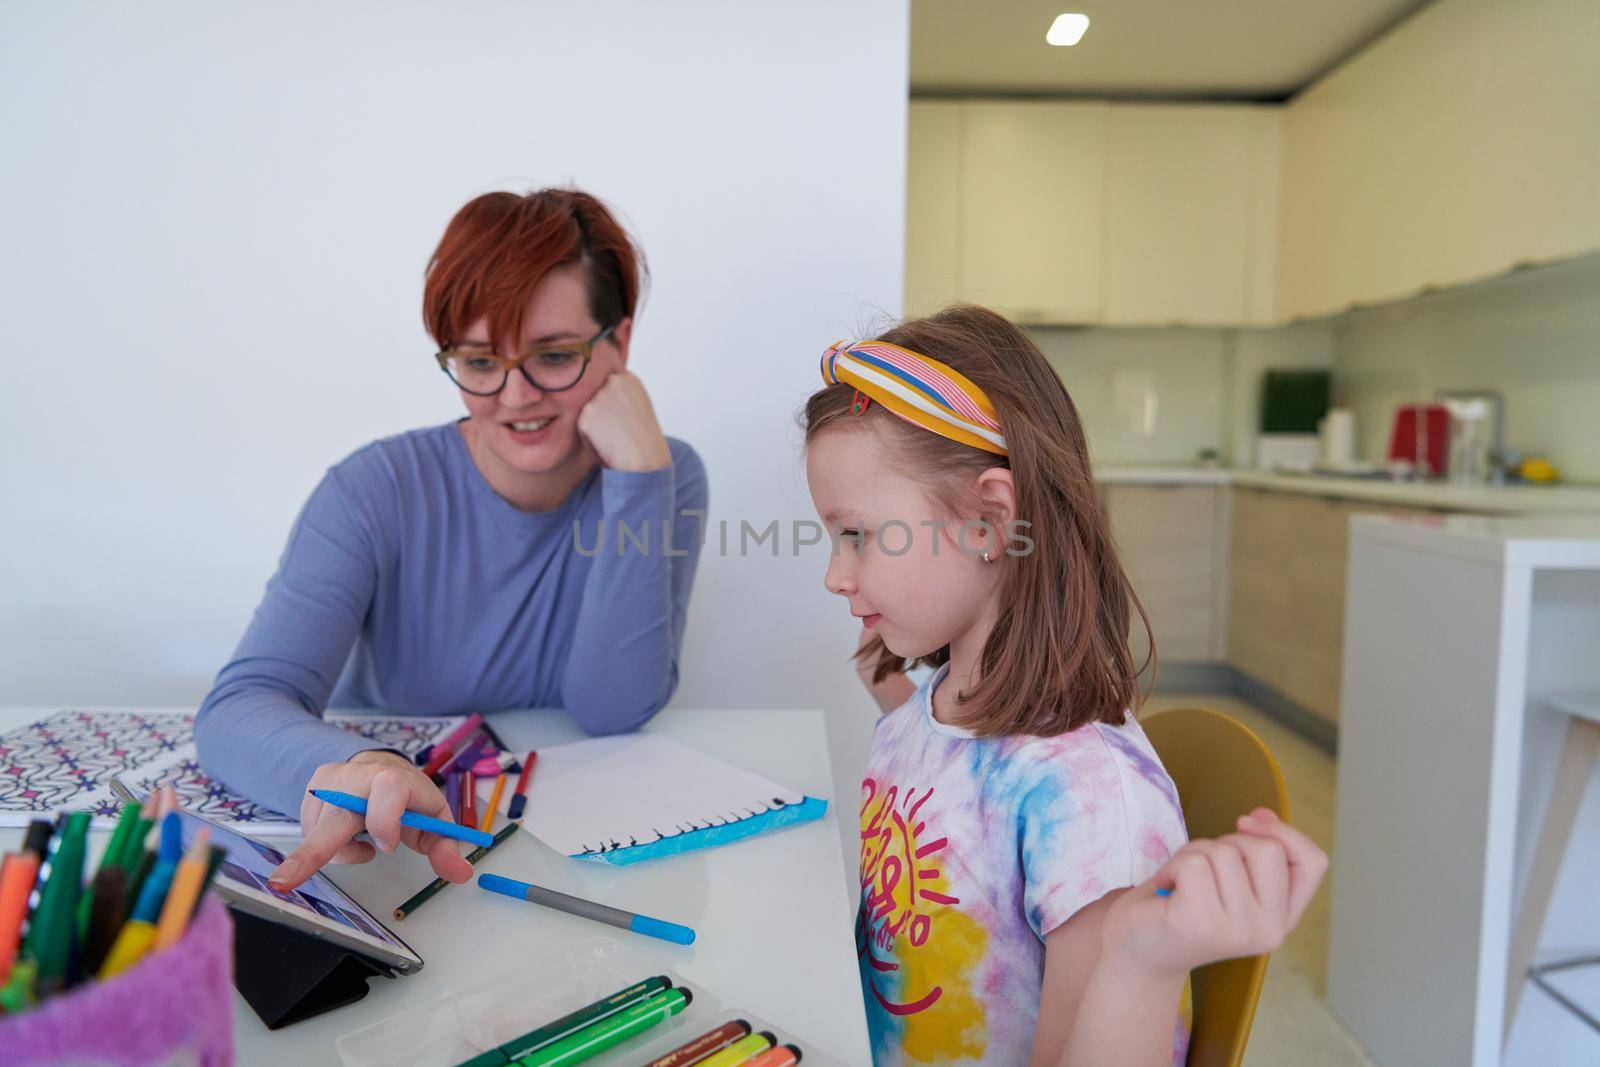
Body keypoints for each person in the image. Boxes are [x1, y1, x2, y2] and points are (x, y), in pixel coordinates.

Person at [803, 305, 1327, 1066]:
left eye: (856, 534)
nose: (834, 573)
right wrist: (896, 703)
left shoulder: (1087, 802)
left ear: (988, 520)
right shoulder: (937, 708)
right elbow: (954, 808)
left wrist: (1140, 960)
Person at [193, 188, 707, 892]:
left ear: (618, 343)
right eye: (478, 362)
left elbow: (612, 708)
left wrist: (644, 478)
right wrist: (359, 766)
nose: (516, 395)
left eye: (553, 356)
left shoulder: (661, 473)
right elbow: (239, 707)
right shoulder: (371, 490)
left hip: (566, 852)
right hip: (395, 839)